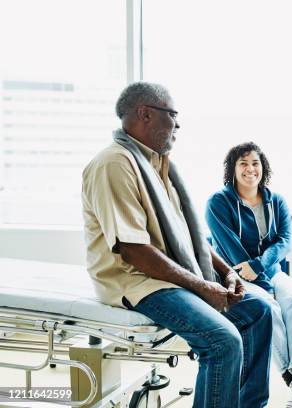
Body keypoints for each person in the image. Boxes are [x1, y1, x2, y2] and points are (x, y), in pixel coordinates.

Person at [81, 82, 272, 408]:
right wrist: (201, 286)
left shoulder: (160, 167)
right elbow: (134, 250)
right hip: (137, 282)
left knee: (259, 311)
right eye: (172, 115)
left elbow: (189, 237)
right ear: (145, 114)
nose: (178, 124)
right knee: (222, 341)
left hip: (168, 275)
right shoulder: (114, 164)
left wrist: (226, 273)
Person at [206, 142, 292, 408]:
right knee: (269, 309)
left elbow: (285, 241)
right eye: (243, 163)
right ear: (233, 169)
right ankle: (291, 378)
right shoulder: (218, 203)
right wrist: (259, 279)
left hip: (270, 272)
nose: (250, 169)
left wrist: (261, 267)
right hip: (235, 277)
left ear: (264, 168)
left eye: (255, 163)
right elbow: (230, 250)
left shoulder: (276, 200)